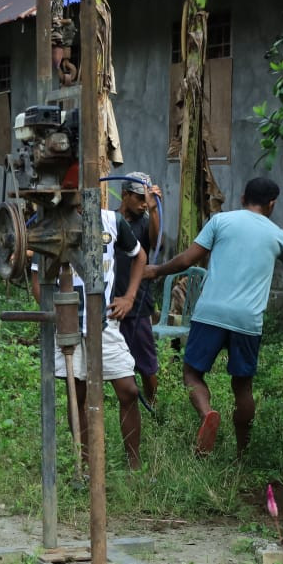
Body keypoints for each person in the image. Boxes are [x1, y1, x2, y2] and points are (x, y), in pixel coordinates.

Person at [146, 176, 283, 457]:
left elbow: (187, 259)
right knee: (242, 387)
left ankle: (207, 413)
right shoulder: (277, 234)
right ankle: (242, 453)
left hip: (211, 313)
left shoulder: (221, 221)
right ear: (272, 204)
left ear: (242, 198)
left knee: (192, 373)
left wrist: (156, 270)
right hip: (247, 320)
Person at [32, 204, 146, 470]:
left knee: (128, 389)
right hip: (70, 324)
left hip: (104, 323)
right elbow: (37, 278)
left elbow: (140, 256)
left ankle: (134, 463)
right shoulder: (52, 225)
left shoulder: (112, 221)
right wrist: (55, 314)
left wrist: (129, 297)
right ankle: (85, 463)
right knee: (78, 394)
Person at [115, 172, 162, 408]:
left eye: (146, 199)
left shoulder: (145, 221)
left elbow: (155, 242)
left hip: (138, 303)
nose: (143, 203)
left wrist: (153, 210)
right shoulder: (111, 220)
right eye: (139, 198)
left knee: (146, 363)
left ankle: (152, 406)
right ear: (125, 195)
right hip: (112, 302)